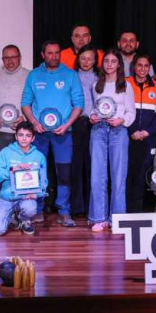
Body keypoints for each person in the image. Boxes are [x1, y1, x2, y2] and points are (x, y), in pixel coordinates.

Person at [21, 40, 84, 227]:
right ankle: (38, 210)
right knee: (37, 172)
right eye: (50, 53)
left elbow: (79, 104)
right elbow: (25, 102)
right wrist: (34, 123)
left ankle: (64, 211)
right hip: (40, 133)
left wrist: (67, 125)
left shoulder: (70, 75)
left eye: (57, 53)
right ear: (43, 55)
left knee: (64, 174)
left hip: (63, 133)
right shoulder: (34, 75)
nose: (54, 56)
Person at [86, 49, 135, 232]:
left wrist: (122, 120)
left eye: (113, 61)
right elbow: (94, 108)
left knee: (118, 175)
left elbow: (131, 112)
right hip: (98, 130)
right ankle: (99, 217)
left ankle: (117, 219)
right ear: (102, 63)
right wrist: (92, 116)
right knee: (97, 175)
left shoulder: (126, 86)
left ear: (119, 65)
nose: (109, 64)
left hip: (118, 131)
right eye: (106, 61)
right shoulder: (95, 85)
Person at [0, 121, 47, 236]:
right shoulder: (5, 152)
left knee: (31, 208)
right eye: (21, 135)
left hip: (26, 198)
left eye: (28, 135)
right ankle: (11, 217)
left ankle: (23, 218)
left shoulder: (39, 156)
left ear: (33, 138)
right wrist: (13, 170)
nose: (24, 139)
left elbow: (44, 182)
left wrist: (37, 194)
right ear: (16, 136)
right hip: (7, 197)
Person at [126, 53, 156, 214]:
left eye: (146, 66)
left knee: (144, 174)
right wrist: (132, 130)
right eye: (139, 65)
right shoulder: (126, 84)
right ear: (134, 67)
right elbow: (122, 110)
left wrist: (147, 132)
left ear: (149, 68)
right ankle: (126, 212)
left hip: (149, 138)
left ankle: (138, 212)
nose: (142, 69)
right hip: (129, 136)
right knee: (128, 174)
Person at [0, 44, 28, 169]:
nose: (10, 61)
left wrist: (25, 119)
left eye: (14, 57)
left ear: (20, 58)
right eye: (6, 58)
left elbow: (35, 103)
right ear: (2, 59)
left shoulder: (30, 76)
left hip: (23, 132)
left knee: (22, 169)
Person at [70, 44, 99, 220]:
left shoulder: (100, 77)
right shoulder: (71, 76)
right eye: (83, 58)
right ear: (78, 59)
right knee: (75, 165)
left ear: (95, 60)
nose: (86, 61)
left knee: (92, 166)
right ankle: (76, 206)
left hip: (94, 124)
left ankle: (91, 206)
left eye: (90, 58)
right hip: (75, 124)